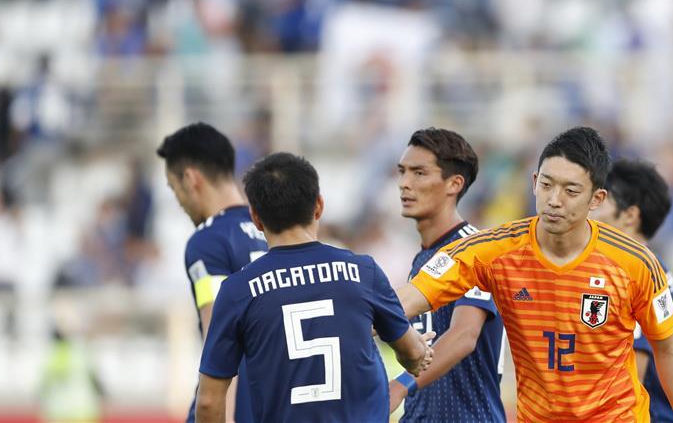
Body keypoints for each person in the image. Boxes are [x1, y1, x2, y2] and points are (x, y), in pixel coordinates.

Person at [396, 127, 673, 422]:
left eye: (571, 191)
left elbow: (668, 350)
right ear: (534, 182)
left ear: (597, 199)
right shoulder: (493, 250)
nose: (554, 200)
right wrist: (368, 318)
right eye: (547, 185)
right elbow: (414, 295)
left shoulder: (636, 262)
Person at [196, 152, 434, 423]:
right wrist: (415, 359)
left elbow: (208, 401)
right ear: (319, 206)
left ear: (256, 218)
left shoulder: (237, 290)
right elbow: (413, 351)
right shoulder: (363, 271)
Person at [390, 128, 506, 422]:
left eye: (419, 173)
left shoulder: (474, 250)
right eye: (402, 172)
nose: (405, 184)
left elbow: (464, 335)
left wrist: (400, 386)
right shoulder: (425, 257)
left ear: (454, 183)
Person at [157, 122, 268, 423]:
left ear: (191, 179)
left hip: (235, 408)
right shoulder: (274, 227)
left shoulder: (208, 242)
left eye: (174, 188)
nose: (178, 201)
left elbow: (221, 338)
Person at [594, 159, 673, 423]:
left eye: (602, 199)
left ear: (630, 215)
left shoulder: (642, 274)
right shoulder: (648, 270)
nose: (591, 207)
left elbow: (635, 366)